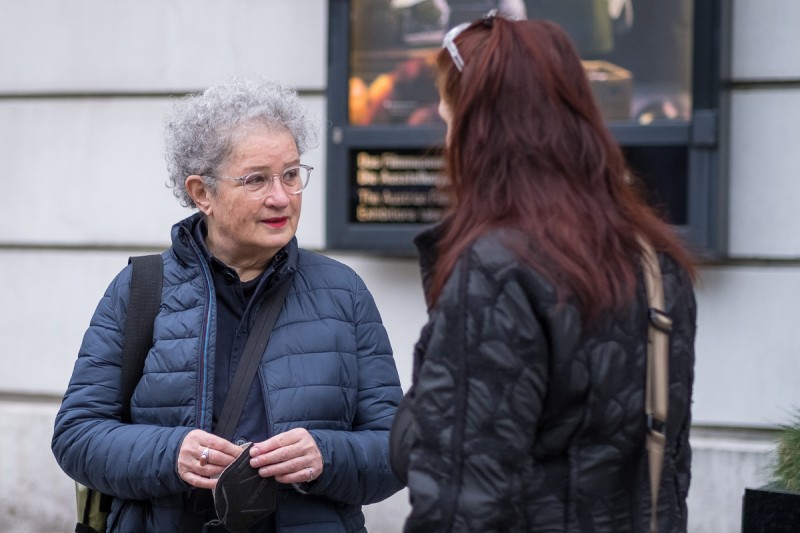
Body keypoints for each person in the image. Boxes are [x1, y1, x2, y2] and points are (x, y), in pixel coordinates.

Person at [52, 77, 404, 532]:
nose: (281, 197)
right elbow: (77, 436)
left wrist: (326, 455)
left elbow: (396, 448)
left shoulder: (344, 292)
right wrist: (171, 453)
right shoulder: (140, 289)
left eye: (291, 174)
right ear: (202, 193)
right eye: (256, 179)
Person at [390, 12, 697, 533]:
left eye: (448, 120)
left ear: (477, 131)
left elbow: (460, 503)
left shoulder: (499, 271)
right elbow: (667, 471)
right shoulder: (655, 259)